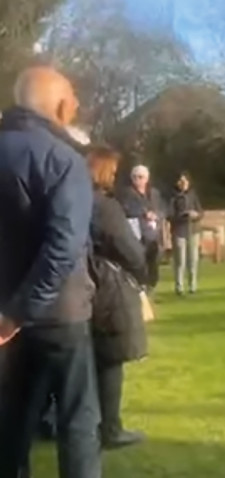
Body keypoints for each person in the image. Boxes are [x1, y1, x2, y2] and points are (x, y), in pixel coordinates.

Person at [0, 67, 101, 477]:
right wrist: (21, 312)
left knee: (10, 424)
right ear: (61, 106)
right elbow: (64, 246)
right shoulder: (64, 160)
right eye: (74, 98)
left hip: (5, 313)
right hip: (59, 313)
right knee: (77, 422)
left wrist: (11, 314)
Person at [86, 146, 149, 450]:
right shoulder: (104, 207)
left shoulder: (66, 199)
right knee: (110, 357)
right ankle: (110, 427)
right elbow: (130, 250)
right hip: (106, 286)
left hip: (74, 285)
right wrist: (143, 274)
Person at [117, 164, 164, 292]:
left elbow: (163, 210)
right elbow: (125, 209)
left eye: (140, 177)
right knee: (139, 260)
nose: (137, 180)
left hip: (153, 234)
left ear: (147, 178)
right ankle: (141, 285)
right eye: (135, 177)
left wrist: (156, 214)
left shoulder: (154, 193)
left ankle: (151, 285)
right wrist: (143, 214)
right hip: (137, 233)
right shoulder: (127, 193)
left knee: (154, 261)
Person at [167, 172, 203, 296]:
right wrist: (182, 215)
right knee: (180, 260)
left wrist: (196, 215)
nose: (183, 184)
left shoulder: (193, 195)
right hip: (179, 231)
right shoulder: (173, 197)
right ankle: (179, 286)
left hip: (193, 230)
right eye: (181, 182)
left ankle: (193, 285)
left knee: (193, 259)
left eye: (185, 182)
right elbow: (169, 215)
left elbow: (201, 212)